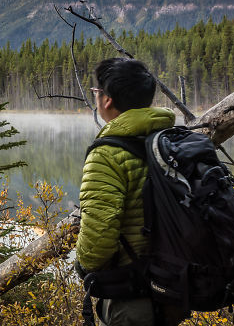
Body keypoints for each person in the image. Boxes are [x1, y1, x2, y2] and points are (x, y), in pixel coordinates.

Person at [75, 58, 187, 326]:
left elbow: (98, 240)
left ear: (108, 100)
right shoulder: (171, 140)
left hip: (131, 297)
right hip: (174, 289)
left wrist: (83, 265)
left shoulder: (106, 155)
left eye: (96, 91)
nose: (96, 97)